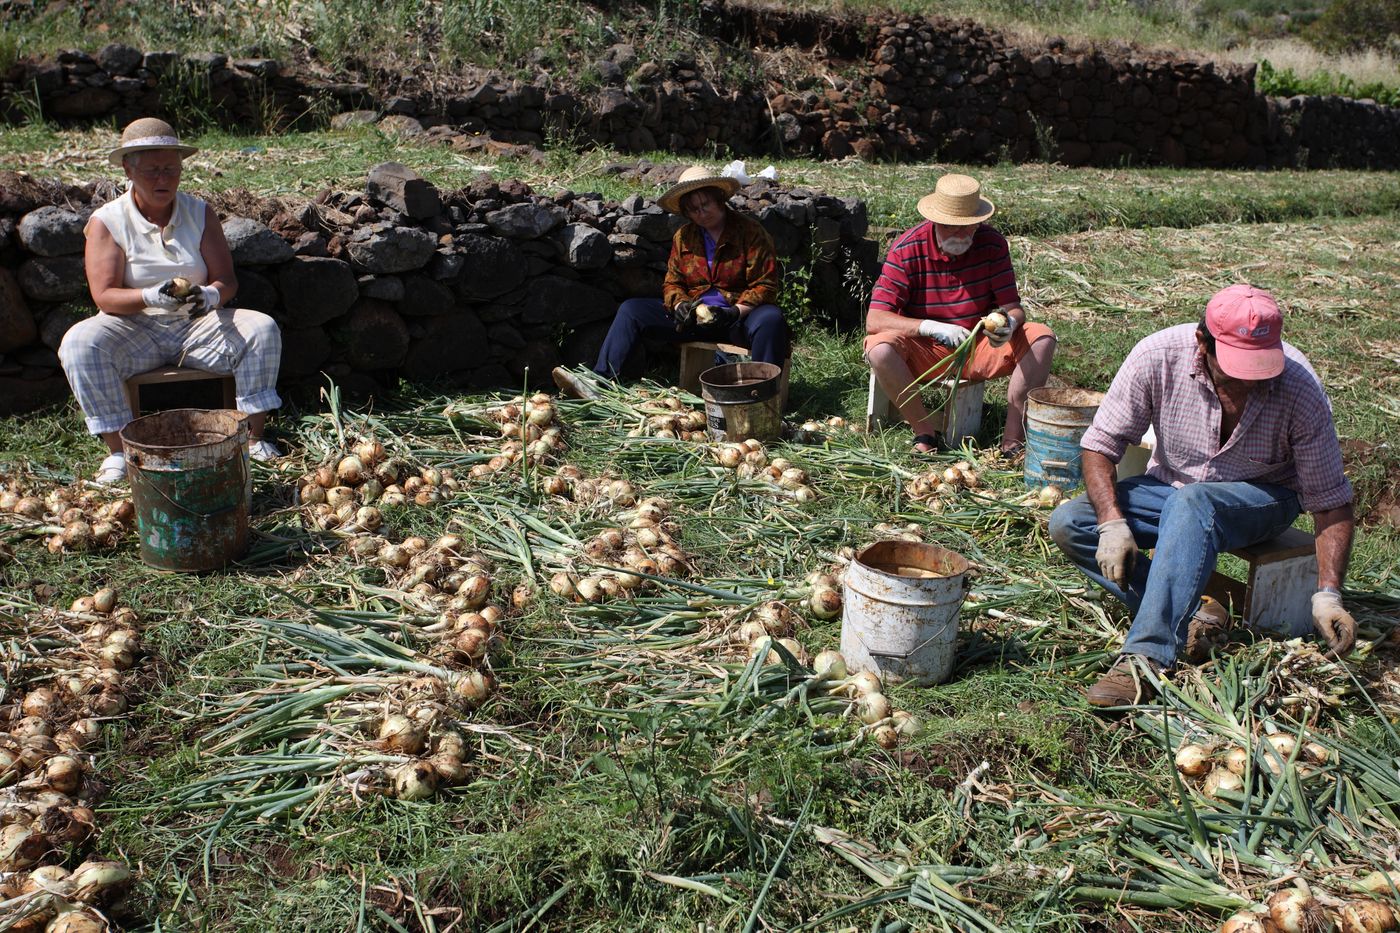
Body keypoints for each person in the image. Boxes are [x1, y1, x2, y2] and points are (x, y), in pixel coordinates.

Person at [1048, 284, 1357, 707]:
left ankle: (1148, 657)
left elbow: (1330, 499)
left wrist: (1328, 593)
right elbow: (1100, 445)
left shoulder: (1299, 387)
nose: (1247, 384)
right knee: (1071, 523)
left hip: (1263, 499)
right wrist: (1112, 523)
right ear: (1202, 343)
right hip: (1170, 485)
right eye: (1235, 370)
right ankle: (1193, 613)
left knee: (1194, 502)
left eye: (1258, 371)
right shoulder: (1156, 356)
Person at [60, 118, 283, 484]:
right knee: (80, 343)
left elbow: (225, 280)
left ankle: (252, 439)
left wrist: (210, 295)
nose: (164, 179)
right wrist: (150, 296)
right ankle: (119, 451)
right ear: (128, 169)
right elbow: (104, 296)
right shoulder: (108, 221)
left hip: (197, 325)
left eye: (171, 169)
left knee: (261, 329)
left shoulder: (199, 212)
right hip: (134, 327)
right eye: (152, 171)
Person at [553, 165, 788, 397]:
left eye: (705, 204)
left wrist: (734, 313)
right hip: (695, 320)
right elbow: (672, 283)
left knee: (770, 319)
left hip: (737, 321)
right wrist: (680, 305)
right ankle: (600, 382)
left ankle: (761, 396)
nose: (701, 213)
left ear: (720, 199)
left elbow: (764, 285)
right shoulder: (684, 237)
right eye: (693, 209)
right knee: (631, 310)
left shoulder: (751, 232)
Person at [864, 174, 1055, 454]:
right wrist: (929, 327)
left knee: (1042, 338)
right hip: (925, 350)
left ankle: (1013, 443)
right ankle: (925, 433)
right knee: (879, 350)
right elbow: (875, 319)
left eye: (968, 227)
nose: (961, 235)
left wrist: (1008, 323)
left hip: (976, 346)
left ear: (978, 222)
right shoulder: (907, 249)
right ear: (935, 220)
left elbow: (1013, 306)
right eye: (951, 227)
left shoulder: (992, 244)